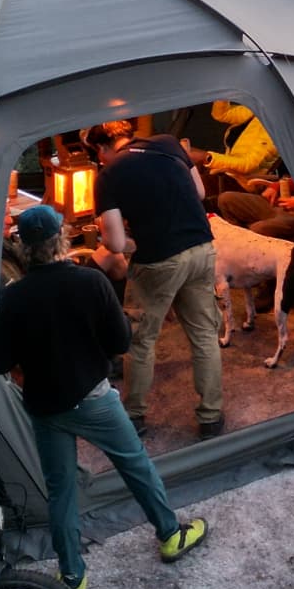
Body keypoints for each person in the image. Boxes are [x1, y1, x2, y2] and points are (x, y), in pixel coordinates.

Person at [0, 204, 208, 589]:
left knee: (61, 492)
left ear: (23, 248)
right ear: (61, 239)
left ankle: (73, 578)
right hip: (93, 398)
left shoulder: (13, 297)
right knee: (135, 465)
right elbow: (121, 341)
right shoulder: (91, 281)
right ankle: (170, 535)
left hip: (46, 406)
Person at [85, 119, 225, 439]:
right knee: (204, 334)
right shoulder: (168, 143)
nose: (100, 160)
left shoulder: (108, 175)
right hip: (201, 248)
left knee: (141, 341)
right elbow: (199, 192)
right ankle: (211, 417)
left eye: (97, 155)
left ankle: (134, 416)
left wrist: (129, 240)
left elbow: (115, 244)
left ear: (102, 147)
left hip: (159, 260)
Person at [183, 101, 280, 197]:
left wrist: (208, 157)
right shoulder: (260, 111)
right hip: (226, 171)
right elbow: (221, 114)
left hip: (241, 182)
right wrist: (222, 95)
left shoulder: (274, 129)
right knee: (181, 158)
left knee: (187, 182)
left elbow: (248, 164)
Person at [217, 176, 294, 242]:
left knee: (257, 229)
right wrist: (275, 187)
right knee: (226, 199)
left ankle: (248, 248)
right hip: (282, 205)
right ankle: (239, 243)